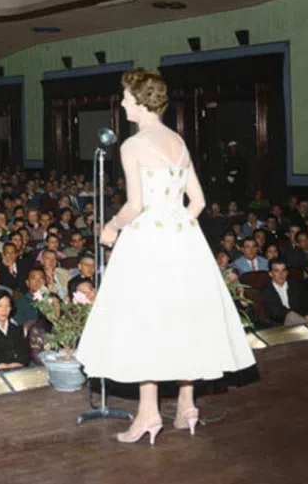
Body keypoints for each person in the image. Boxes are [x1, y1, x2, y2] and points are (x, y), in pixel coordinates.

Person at [75, 69, 255, 446]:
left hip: (147, 243)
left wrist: (112, 227)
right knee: (181, 318)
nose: (122, 102)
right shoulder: (178, 141)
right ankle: (187, 407)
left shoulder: (133, 144)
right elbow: (199, 202)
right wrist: (176, 228)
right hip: (184, 241)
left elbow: (136, 204)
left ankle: (149, 412)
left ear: (140, 101)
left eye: (126, 97)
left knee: (147, 322)